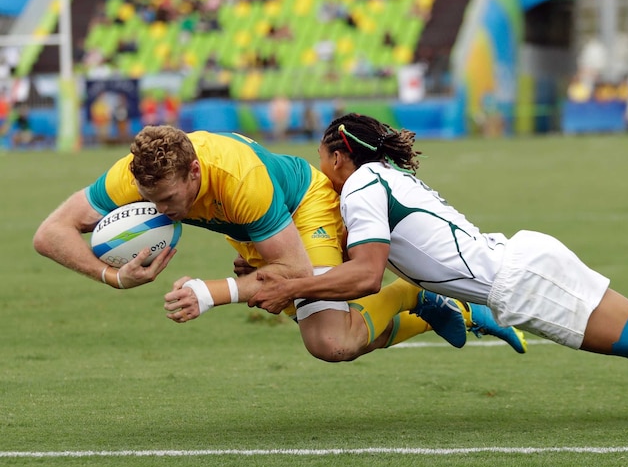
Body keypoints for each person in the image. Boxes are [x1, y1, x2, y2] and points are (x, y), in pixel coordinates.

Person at [249, 113, 628, 418]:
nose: (319, 167)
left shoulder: (358, 187)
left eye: (322, 155)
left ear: (338, 153)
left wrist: (294, 284)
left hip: (522, 279)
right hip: (522, 265)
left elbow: (366, 276)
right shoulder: (383, 178)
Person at [33, 125, 526, 364]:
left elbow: (295, 274)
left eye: (167, 200)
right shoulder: (136, 176)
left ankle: (416, 294)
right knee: (336, 336)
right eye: (148, 200)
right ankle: (439, 310)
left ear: (196, 172)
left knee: (330, 339)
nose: (157, 211)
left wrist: (214, 292)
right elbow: (49, 232)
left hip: (299, 207)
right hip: (250, 231)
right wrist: (114, 276)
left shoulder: (238, 179)